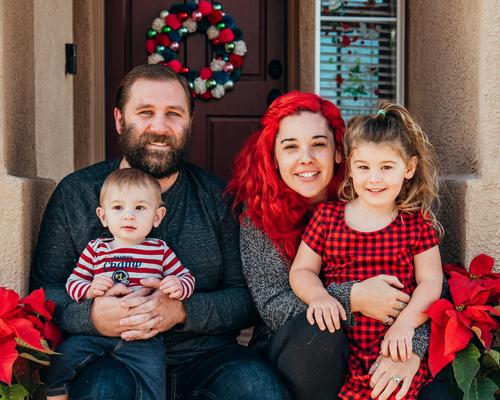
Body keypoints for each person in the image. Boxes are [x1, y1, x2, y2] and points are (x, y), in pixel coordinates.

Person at [31, 64, 290, 400]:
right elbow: (43, 290)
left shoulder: (218, 198)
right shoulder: (77, 194)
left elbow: (245, 297)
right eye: (145, 112)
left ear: (190, 122)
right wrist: (92, 316)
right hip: (108, 353)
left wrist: (181, 311)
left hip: (204, 355)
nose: (160, 127)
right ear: (119, 120)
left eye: (174, 113)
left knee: (261, 390)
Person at [226, 92, 452, 400]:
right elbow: (276, 307)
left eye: (318, 144)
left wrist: (412, 345)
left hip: (390, 342)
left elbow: (434, 287)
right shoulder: (269, 219)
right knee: (319, 334)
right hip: (305, 352)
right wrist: (354, 296)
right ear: (273, 156)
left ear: (338, 152)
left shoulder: (385, 204)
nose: (306, 158)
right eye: (290, 146)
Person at [289, 101, 443, 400]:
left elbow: (431, 282)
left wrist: (406, 325)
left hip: (393, 343)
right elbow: (302, 270)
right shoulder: (327, 217)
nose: (374, 178)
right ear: (349, 167)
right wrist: (319, 296)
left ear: (409, 168)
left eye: (386, 167)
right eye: (363, 167)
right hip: (342, 348)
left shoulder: (416, 224)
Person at [46, 168, 195, 400]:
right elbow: (73, 281)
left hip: (144, 339)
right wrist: (88, 291)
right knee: (63, 356)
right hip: (95, 334)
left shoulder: (159, 250)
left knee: (154, 378)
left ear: (158, 216)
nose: (128, 215)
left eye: (140, 207)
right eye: (118, 207)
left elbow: (186, 277)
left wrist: (178, 285)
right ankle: (56, 395)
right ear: (103, 216)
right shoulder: (96, 249)